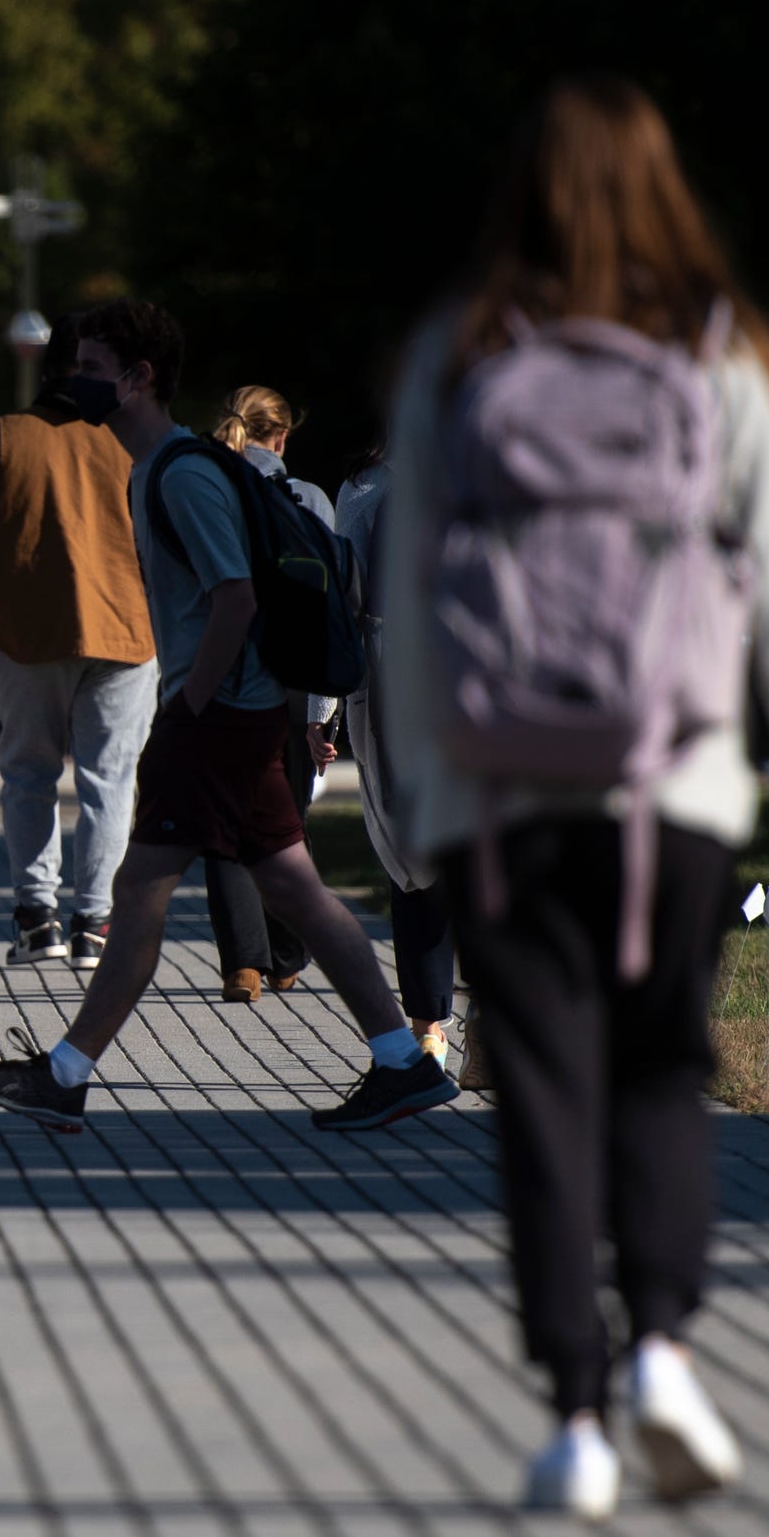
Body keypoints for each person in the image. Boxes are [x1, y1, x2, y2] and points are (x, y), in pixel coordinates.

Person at [377, 77, 769, 1516]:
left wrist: (413, 812)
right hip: (681, 796)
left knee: (541, 1100)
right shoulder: (722, 357)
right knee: (660, 1072)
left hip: (501, 803)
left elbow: (405, 609)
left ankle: (576, 1417)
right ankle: (661, 1347)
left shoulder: (456, 356)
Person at [0, 298, 456, 1136]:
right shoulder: (156, 468)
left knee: (141, 887)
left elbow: (235, 597)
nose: (74, 382)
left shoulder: (181, 475)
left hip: (217, 716)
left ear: (138, 378)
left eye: (90, 369)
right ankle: (404, 1059)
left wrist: (188, 706)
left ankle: (64, 1074)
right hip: (232, 717)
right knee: (294, 888)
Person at [0, 318, 157, 967]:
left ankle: (37, 918)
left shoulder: (10, 436)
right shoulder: (134, 439)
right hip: (125, 632)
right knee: (110, 779)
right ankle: (95, 921)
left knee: (28, 773)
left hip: (31, 632)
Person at [333, 443, 462, 1072]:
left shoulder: (367, 486)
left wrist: (324, 709)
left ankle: (429, 1027)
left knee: (416, 859)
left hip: (396, 680)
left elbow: (343, 599)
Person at [202, 384, 331, 1000]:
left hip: (224, 671)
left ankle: (243, 962)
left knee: (224, 817)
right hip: (296, 678)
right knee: (286, 819)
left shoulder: (203, 490)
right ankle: (285, 955)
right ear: (281, 437)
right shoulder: (308, 498)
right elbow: (337, 592)